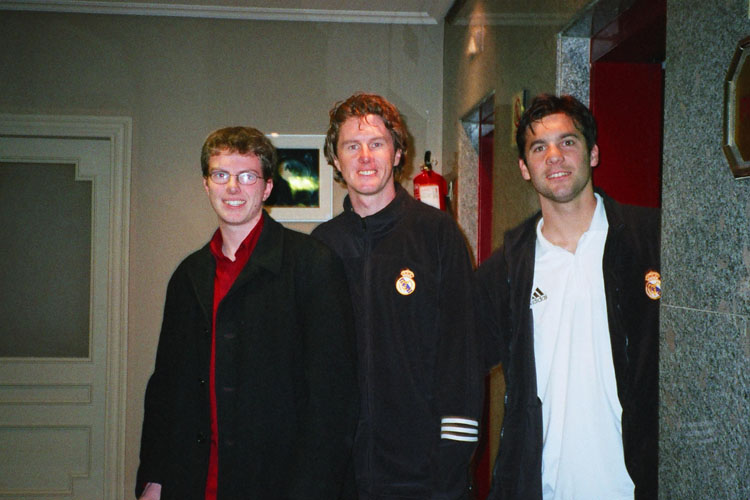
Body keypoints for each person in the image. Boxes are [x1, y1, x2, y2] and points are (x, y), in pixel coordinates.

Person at [135, 126, 358, 500]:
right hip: (193, 483)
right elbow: (165, 390)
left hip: (283, 485)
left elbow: (332, 401)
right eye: (221, 175)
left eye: (247, 176)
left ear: (267, 187)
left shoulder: (312, 265)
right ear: (206, 185)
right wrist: (154, 479)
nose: (233, 188)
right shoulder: (188, 276)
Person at [477, 94, 660, 500]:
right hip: (545, 485)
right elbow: (454, 357)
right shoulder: (508, 267)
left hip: (637, 483)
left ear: (593, 154)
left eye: (568, 142)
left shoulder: (651, 240)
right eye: (539, 147)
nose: (554, 157)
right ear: (525, 168)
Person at [311, 93, 482, 499]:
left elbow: (463, 355)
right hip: (343, 476)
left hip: (425, 475)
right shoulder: (321, 248)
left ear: (398, 152)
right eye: (352, 146)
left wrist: (452, 462)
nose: (365, 157)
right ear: (335, 160)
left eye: (377, 144)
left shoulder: (438, 236)